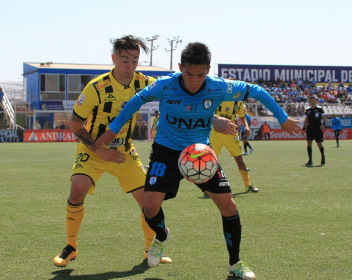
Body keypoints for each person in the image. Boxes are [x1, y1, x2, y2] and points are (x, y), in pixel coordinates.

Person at [96, 42, 301, 279]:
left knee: (229, 206)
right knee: (150, 207)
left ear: (208, 70)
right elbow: (135, 102)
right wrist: (113, 130)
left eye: (201, 75)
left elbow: (255, 90)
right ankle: (162, 236)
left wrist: (282, 118)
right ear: (180, 68)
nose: (195, 81)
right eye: (189, 74)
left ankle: (235, 263)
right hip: (166, 151)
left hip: (200, 154)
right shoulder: (164, 85)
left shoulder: (219, 86)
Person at [53, 35, 173, 268]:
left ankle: (150, 249)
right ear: (114, 58)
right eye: (125, 60)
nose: (130, 66)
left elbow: (175, 90)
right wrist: (100, 149)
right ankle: (71, 246)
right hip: (93, 150)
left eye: (135, 61)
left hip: (124, 152)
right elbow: (75, 124)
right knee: (77, 189)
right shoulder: (95, 88)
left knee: (150, 202)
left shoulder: (145, 82)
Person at [210, 101, 258, 193]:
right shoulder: (219, 96)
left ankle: (248, 186)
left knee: (239, 160)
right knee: (210, 161)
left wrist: (246, 127)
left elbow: (242, 117)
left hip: (231, 133)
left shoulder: (238, 102)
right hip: (216, 133)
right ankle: (209, 187)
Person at [302, 96, 327, 166]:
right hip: (309, 128)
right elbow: (306, 120)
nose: (312, 102)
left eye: (314, 100)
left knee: (319, 144)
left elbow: (325, 118)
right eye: (311, 101)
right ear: (309, 102)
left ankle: (323, 157)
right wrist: (303, 129)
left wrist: (323, 124)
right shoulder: (307, 110)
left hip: (317, 128)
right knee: (309, 143)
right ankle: (310, 160)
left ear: (316, 101)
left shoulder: (320, 109)